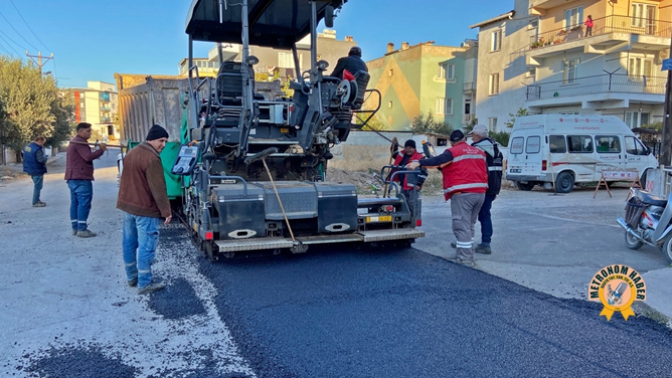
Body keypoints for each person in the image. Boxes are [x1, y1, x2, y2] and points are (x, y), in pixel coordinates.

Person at [407, 130, 488, 267]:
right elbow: (455, 167)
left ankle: (465, 258)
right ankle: (467, 252)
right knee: (469, 225)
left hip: (463, 194)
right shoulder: (478, 152)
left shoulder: (453, 151)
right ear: (465, 139)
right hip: (480, 193)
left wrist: (418, 163)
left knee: (461, 226)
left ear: (451, 142)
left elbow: (438, 160)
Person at [117, 124, 172, 294]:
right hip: (144, 209)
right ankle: (145, 283)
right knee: (147, 246)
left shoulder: (132, 153)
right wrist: (166, 211)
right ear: (151, 139)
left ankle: (132, 277)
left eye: (165, 141)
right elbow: (158, 188)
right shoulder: (152, 158)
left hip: (128, 207)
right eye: (161, 140)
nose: (163, 144)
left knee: (129, 243)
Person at [455, 124, 503, 255]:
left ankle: (472, 242)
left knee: (469, 215)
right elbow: (498, 172)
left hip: (480, 187)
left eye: (473, 136)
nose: (472, 138)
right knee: (484, 215)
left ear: (478, 135)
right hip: (492, 188)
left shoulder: (477, 149)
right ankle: (481, 241)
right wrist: (496, 190)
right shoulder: (497, 149)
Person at [65, 122, 107, 237]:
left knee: (76, 203)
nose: (90, 133)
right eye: (88, 131)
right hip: (81, 177)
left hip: (72, 177)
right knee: (84, 203)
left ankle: (75, 227)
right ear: (80, 131)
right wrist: (101, 150)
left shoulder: (75, 141)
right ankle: (82, 229)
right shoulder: (80, 142)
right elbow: (88, 157)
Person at [390, 140, 427, 208]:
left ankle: (414, 218)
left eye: (410, 148)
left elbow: (424, 172)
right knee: (402, 203)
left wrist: (419, 184)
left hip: (413, 187)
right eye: (406, 147)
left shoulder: (420, 157)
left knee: (413, 204)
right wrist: (394, 146)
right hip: (403, 185)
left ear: (414, 148)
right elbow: (394, 153)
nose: (408, 149)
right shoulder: (402, 155)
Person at [22, 136, 48, 207]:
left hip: (29, 168)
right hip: (37, 169)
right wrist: (45, 158)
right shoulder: (37, 149)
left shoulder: (28, 146)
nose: (43, 144)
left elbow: (23, 154)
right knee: (38, 186)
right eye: (43, 143)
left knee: (36, 184)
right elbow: (41, 160)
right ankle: (35, 202)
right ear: (40, 141)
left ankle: (37, 199)